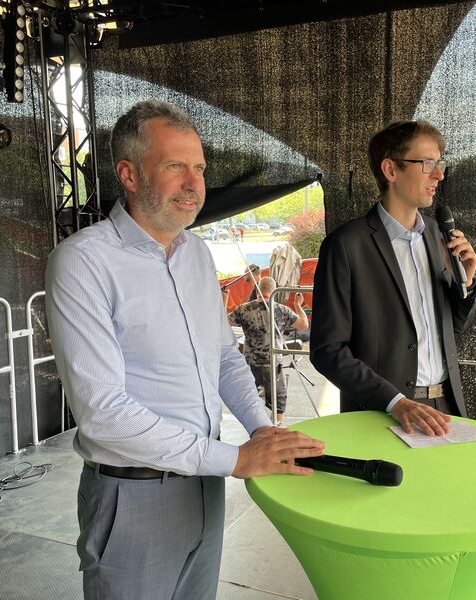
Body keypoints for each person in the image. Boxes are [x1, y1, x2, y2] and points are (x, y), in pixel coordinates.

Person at [45, 100, 324, 600]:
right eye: (176, 166)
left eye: (198, 167)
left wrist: (262, 429)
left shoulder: (196, 254)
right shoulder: (83, 262)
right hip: (133, 493)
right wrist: (233, 458)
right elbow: (103, 414)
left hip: (203, 486)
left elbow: (222, 357)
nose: (194, 183)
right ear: (128, 174)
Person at [310, 120, 476, 437]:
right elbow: (327, 350)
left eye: (440, 163)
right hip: (380, 414)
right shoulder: (346, 245)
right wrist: (395, 402)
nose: (439, 174)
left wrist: (465, 285)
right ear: (391, 170)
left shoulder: (438, 234)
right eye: (427, 163)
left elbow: (452, 329)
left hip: (447, 406)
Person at [229, 277, 308, 423]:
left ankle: (254, 428)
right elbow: (304, 325)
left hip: (250, 363)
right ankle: (276, 428)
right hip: (272, 363)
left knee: (249, 399)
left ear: (257, 289)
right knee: (278, 402)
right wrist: (298, 305)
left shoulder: (244, 309)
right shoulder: (282, 310)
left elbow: (223, 321)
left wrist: (225, 297)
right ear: (274, 291)